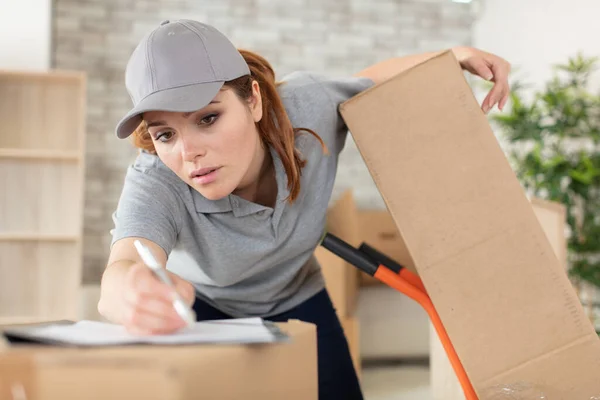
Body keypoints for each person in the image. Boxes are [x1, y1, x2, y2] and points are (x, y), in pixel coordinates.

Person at [98, 19, 510, 399]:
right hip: (204, 310)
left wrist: (451, 56)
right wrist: (129, 294)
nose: (189, 153)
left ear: (254, 101)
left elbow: (374, 79)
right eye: (166, 133)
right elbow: (123, 266)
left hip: (298, 296)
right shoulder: (157, 180)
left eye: (208, 118)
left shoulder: (305, 109)